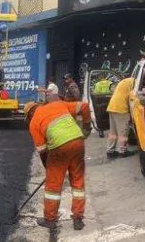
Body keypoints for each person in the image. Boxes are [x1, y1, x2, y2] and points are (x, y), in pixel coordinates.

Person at [25, 99, 92, 230]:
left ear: (30, 113)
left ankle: (50, 219)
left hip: (59, 148)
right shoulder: (58, 104)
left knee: (53, 187)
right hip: (78, 143)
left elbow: (42, 150)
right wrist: (86, 127)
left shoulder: (33, 123)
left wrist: (48, 168)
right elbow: (84, 106)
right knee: (78, 182)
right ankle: (78, 218)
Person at [106, 77, 135, 159]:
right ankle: (122, 152)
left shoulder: (125, 81)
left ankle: (110, 151)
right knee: (123, 132)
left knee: (113, 132)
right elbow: (133, 98)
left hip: (112, 106)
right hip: (121, 108)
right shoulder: (135, 82)